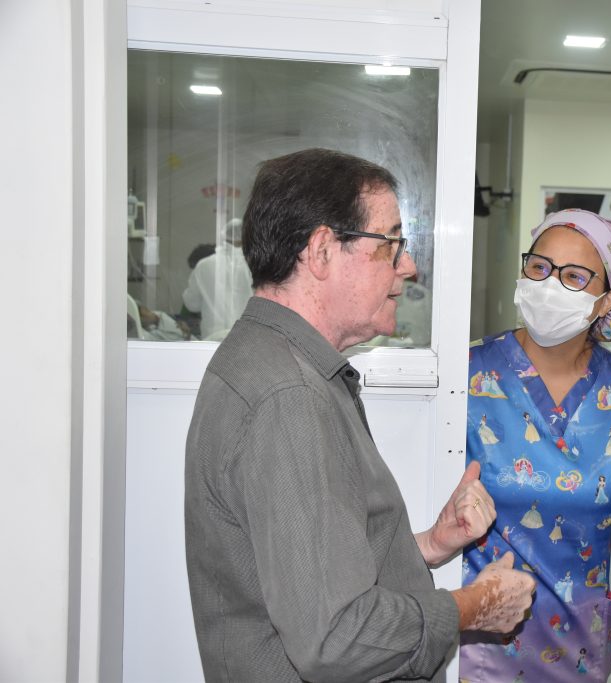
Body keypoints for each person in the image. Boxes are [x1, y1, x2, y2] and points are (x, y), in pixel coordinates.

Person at [184, 148, 535, 683]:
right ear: (322, 251)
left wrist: (430, 544)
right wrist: (475, 605)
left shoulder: (272, 361)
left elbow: (310, 578)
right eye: (389, 243)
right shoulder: (289, 397)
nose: (408, 266)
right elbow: (337, 639)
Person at [460, 209, 611, 682]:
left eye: (574, 276)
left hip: (577, 637)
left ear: (607, 300)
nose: (550, 284)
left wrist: (559, 518)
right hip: (483, 633)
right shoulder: (469, 371)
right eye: (539, 267)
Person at [182, 217, 253, 340]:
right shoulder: (256, 266)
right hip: (247, 339)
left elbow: (192, 304)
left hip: (213, 339)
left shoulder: (204, 265)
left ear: (224, 236)